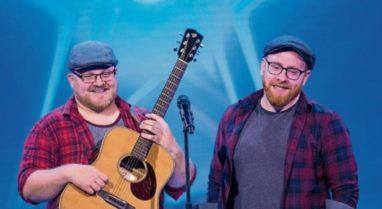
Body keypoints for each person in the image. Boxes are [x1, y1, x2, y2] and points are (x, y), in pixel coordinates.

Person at [18, 41, 196, 209]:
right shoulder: (51, 126)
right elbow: (28, 188)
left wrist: (172, 148)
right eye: (88, 76)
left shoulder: (144, 121)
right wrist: (68, 173)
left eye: (106, 73)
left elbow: (180, 184)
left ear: (115, 73)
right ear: (72, 80)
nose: (99, 82)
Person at [207, 36, 358, 209]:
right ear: (263, 67)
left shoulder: (325, 123)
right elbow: (216, 181)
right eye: (275, 67)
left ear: (305, 77)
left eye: (293, 71)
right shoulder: (234, 115)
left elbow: (345, 191)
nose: (282, 77)